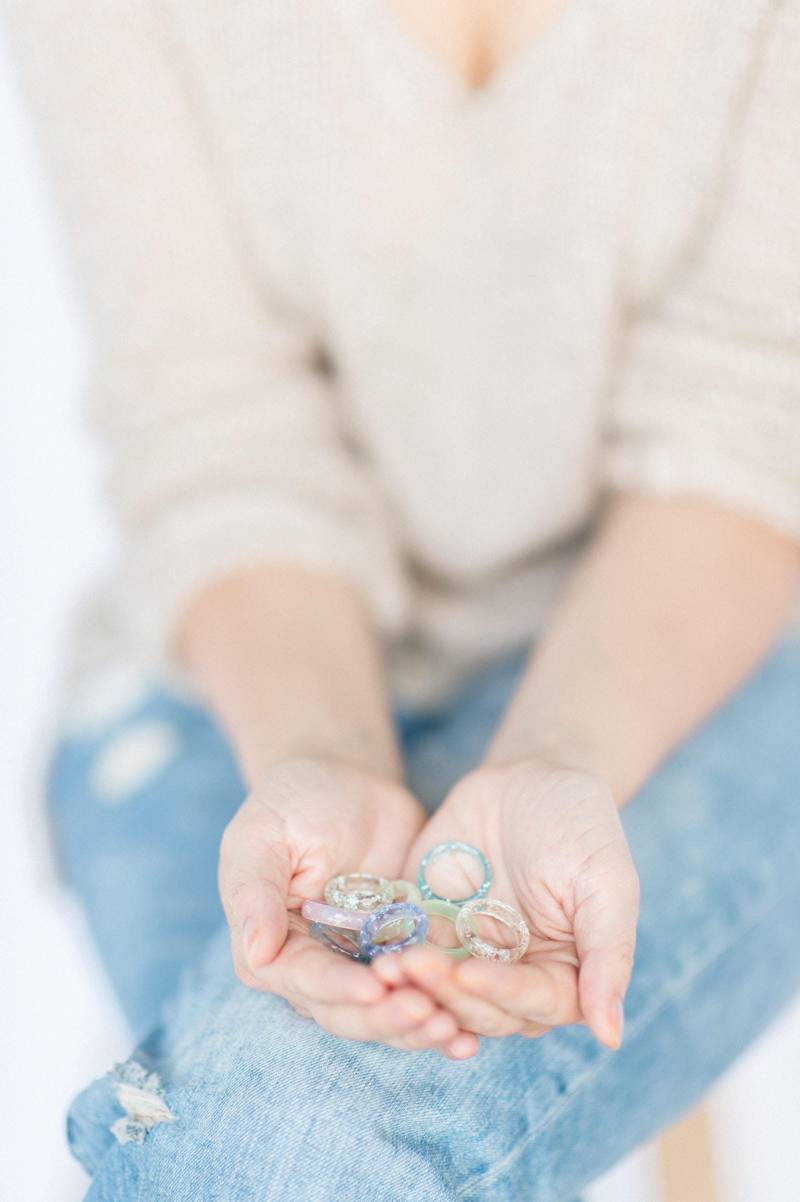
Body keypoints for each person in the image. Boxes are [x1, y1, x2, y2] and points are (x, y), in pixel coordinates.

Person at [5, 0, 800, 1197]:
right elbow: (214, 431)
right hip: (238, 675)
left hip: (684, 644)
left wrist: (561, 751)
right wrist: (321, 748)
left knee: (287, 1146)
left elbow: (746, 425)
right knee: (266, 1141)